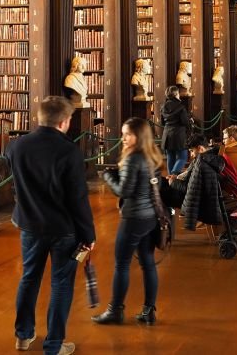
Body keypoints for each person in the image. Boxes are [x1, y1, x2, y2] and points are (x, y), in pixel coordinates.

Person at [6, 96, 95, 355]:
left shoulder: (16, 147)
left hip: (30, 226)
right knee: (61, 284)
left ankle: (23, 335)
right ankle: (54, 346)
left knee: (29, 277)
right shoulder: (69, 151)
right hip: (63, 229)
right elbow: (78, 199)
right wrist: (88, 234)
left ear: (39, 117)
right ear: (65, 121)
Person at [93, 118, 164, 327]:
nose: (123, 138)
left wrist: (107, 176)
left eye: (128, 135)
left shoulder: (133, 158)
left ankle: (115, 310)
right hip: (151, 216)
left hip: (133, 218)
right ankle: (149, 311)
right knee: (148, 263)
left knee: (122, 264)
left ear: (139, 136)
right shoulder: (152, 155)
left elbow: (124, 191)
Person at [160, 85, 190, 175]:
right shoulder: (180, 107)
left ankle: (170, 179)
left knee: (170, 157)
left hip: (167, 134)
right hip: (179, 135)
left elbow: (162, 123)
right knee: (183, 157)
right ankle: (173, 175)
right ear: (176, 94)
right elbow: (185, 122)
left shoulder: (163, 106)